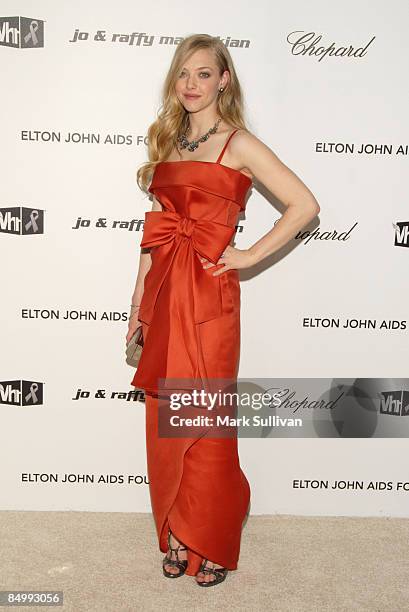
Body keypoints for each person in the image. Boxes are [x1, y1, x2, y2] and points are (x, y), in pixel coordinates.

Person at [127, 33, 320, 587]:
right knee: (167, 418)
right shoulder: (167, 140)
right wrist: (138, 305)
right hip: (165, 291)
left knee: (207, 418)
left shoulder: (239, 143)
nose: (192, 84)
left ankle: (212, 537)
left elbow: (304, 204)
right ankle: (178, 532)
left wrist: (248, 254)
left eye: (204, 74)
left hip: (210, 295)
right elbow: (156, 235)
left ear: (224, 80)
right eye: (184, 73)